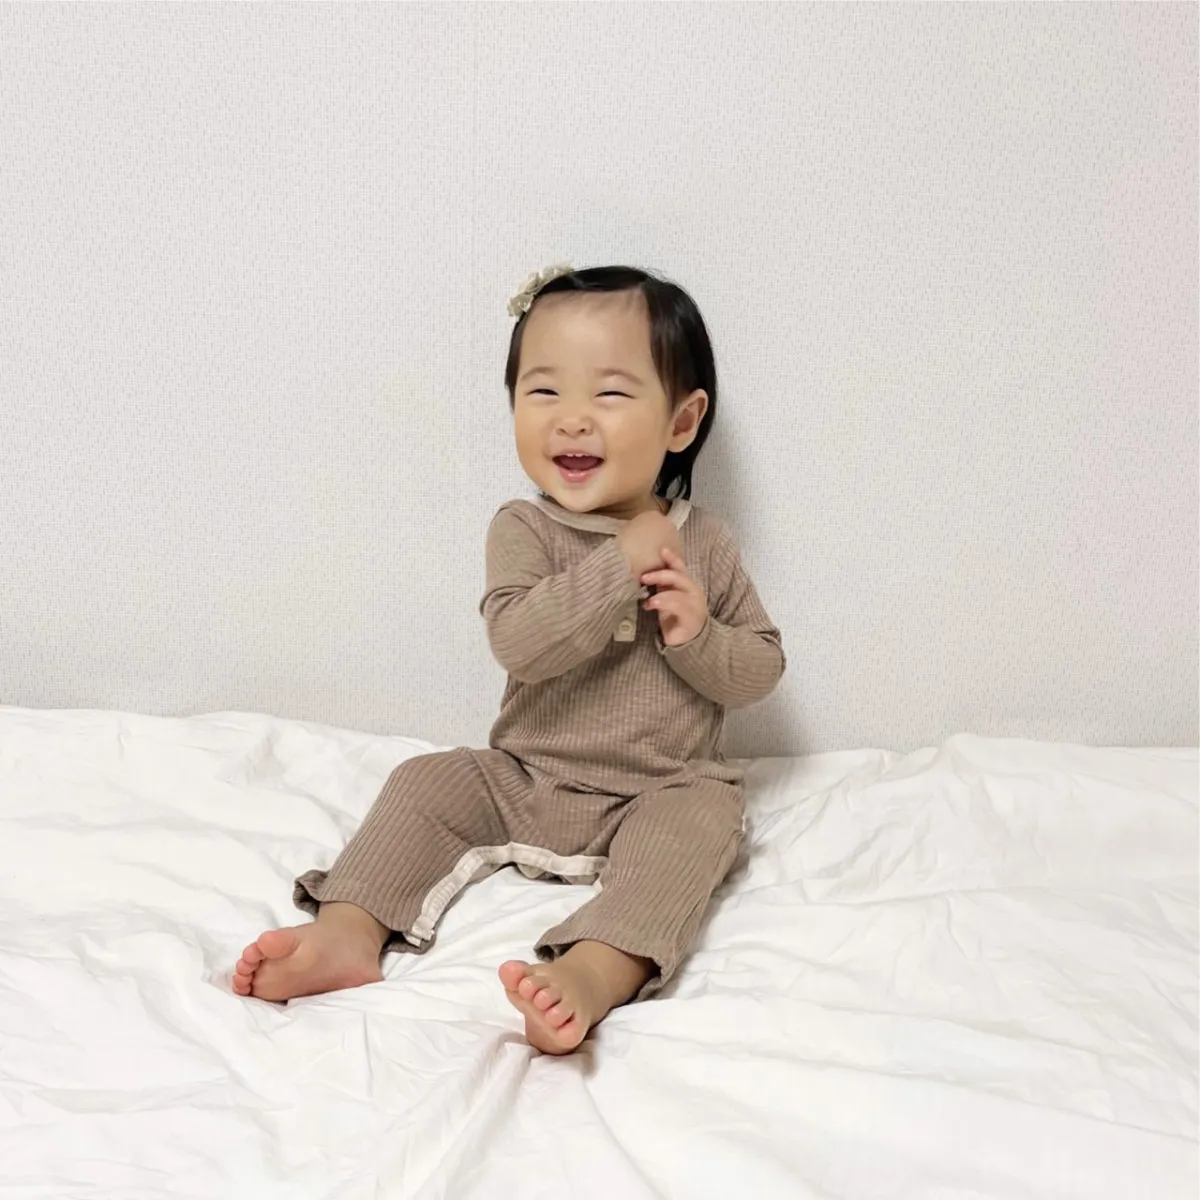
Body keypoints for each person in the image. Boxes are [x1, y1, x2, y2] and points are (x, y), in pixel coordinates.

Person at [233, 264, 786, 1054]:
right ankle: (348, 931)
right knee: (426, 780)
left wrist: (699, 634)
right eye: (544, 391)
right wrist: (618, 563)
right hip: (527, 777)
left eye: (610, 393)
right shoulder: (524, 530)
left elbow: (762, 668)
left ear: (681, 421)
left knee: (704, 823)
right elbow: (521, 642)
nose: (572, 420)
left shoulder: (707, 542)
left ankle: (593, 972)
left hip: (661, 788)